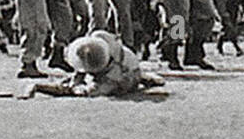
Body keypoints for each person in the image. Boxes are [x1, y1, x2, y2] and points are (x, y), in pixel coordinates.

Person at [24, 30, 165, 98]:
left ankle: (146, 78)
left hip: (128, 78)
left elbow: (71, 90)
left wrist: (39, 87)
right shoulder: (107, 42)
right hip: (132, 71)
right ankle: (147, 78)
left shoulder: (106, 84)